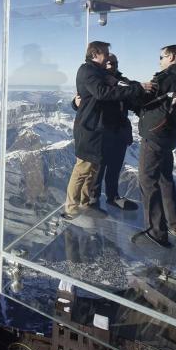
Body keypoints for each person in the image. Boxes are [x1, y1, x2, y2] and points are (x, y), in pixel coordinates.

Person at [64, 41, 147, 220]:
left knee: (93, 168)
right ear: (95, 54)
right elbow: (100, 93)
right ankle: (71, 207)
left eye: (112, 59)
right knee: (83, 169)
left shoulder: (103, 74)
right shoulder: (88, 71)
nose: (108, 57)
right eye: (106, 54)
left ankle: (86, 203)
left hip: (102, 130)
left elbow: (104, 93)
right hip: (91, 128)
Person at [133, 45, 176, 248]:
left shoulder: (167, 77)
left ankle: (156, 233)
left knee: (147, 181)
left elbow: (144, 98)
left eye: (161, 57)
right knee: (165, 180)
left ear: (172, 57)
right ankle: (174, 225)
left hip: (155, 135)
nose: (159, 61)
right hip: (168, 135)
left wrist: (132, 89)